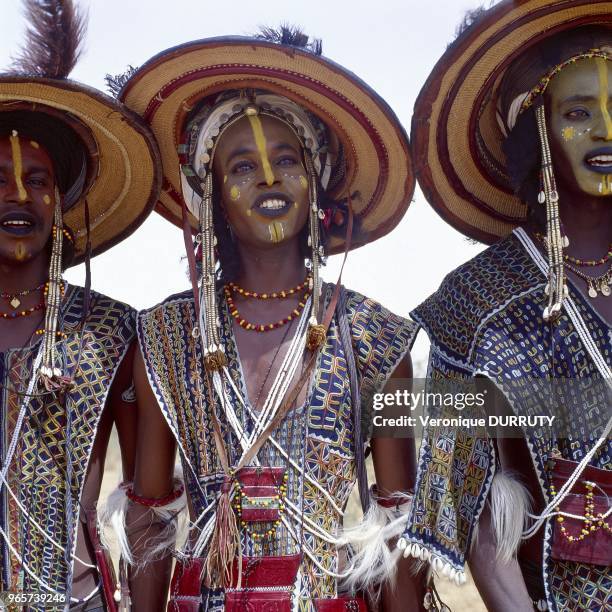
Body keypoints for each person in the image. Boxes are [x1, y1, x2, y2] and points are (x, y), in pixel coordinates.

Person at [107, 27, 423, 611]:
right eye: (244, 167)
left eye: (286, 160)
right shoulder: (167, 336)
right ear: (213, 196)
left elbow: (397, 528)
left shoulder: (377, 339)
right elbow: (150, 521)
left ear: (316, 180)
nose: (271, 180)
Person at [398, 2, 611, 611]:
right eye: (578, 112)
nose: (606, 129)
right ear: (534, 129)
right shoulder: (469, 306)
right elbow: (466, 507)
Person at [0, 1, 161, 609]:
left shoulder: (112, 331)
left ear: (60, 203)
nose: (19, 195)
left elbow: (150, 506)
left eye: (38, 181)